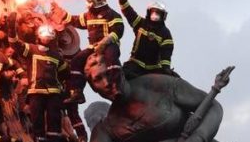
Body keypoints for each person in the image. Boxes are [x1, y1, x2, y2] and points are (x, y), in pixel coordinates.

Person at [84, 37, 231, 142]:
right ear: (94, 89)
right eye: (97, 79)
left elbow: (212, 106)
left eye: (108, 73)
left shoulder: (160, 85)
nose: (106, 82)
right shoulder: (106, 129)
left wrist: (198, 137)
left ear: (119, 70)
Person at [51, 0, 124, 104]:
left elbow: (118, 31)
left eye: (88, 0)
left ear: (95, 0)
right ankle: (77, 92)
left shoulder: (112, 15)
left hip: (109, 44)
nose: (87, 3)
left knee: (112, 58)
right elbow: (74, 20)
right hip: (93, 47)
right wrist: (61, 12)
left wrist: (105, 42)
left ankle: (116, 86)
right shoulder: (88, 15)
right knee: (76, 61)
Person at [6, 16, 68, 142]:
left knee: (54, 122)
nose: (46, 40)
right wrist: (11, 26)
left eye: (48, 38)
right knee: (37, 123)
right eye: (44, 37)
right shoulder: (31, 50)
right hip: (36, 92)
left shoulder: (56, 55)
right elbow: (14, 43)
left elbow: (65, 72)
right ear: (38, 37)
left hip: (54, 94)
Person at [113, 0, 175, 80]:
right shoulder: (140, 23)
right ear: (149, 12)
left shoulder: (165, 33)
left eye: (158, 13)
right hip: (135, 64)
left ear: (163, 16)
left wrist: (166, 69)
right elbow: (126, 9)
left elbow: (166, 54)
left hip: (154, 69)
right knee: (121, 76)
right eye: (153, 12)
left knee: (174, 81)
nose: (155, 15)